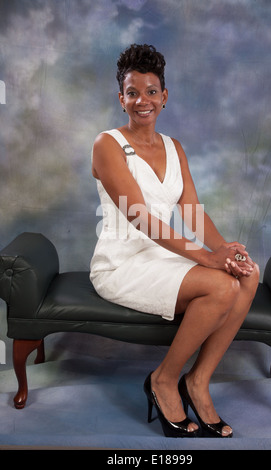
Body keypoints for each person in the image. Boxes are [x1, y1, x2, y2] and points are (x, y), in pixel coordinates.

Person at [90, 44, 259, 438]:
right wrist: (208, 260)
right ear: (121, 99)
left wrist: (225, 250)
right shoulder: (107, 145)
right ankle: (164, 380)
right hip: (122, 263)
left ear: (164, 97)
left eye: (151, 91)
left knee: (247, 275)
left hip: (162, 255)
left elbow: (192, 212)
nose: (142, 100)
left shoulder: (174, 147)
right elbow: (142, 219)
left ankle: (198, 381)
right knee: (220, 285)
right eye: (133, 92)